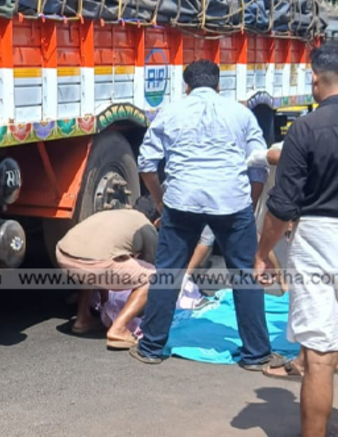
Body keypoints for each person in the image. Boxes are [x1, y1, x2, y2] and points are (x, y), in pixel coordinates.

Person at [255, 42, 338, 437]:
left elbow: (282, 205)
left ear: (315, 81)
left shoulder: (305, 129)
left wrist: (263, 252)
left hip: (318, 240)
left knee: (318, 356)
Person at [131, 59, 283, 371]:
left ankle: (151, 347)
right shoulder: (241, 113)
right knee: (244, 275)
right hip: (231, 201)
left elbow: (146, 163)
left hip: (181, 201)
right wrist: (249, 204)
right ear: (218, 85)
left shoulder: (170, 112)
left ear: (186, 86)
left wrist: (160, 200)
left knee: (168, 272)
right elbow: (258, 165)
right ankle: (256, 354)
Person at [57, 196, 158, 350]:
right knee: (153, 277)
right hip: (95, 263)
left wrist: (105, 300)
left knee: (96, 260)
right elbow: (150, 264)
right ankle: (119, 329)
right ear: (157, 221)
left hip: (63, 255)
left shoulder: (113, 212)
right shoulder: (147, 226)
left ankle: (82, 319)